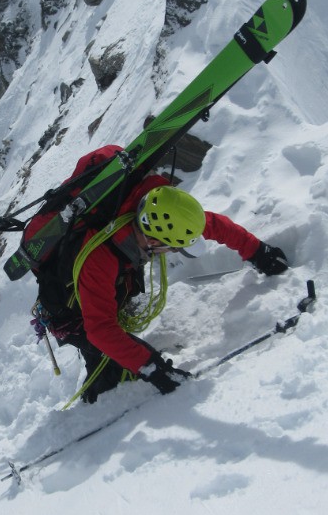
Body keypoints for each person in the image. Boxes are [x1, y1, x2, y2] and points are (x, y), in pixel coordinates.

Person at [33, 145, 289, 404]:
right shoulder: (101, 256)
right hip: (66, 308)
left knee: (119, 347)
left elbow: (210, 225)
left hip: (109, 286)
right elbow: (100, 329)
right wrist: (152, 368)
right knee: (110, 368)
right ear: (153, 241)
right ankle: (97, 405)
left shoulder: (156, 208)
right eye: (172, 247)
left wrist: (258, 252)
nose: (171, 251)